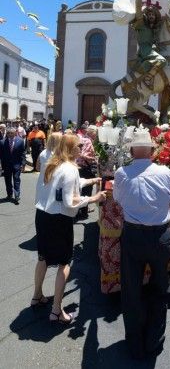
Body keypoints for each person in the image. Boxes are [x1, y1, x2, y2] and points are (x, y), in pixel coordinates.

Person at [113, 127, 170, 359]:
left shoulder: (121, 173)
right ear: (151, 150)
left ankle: (135, 342)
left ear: (131, 150)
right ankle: (154, 339)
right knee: (161, 286)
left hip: (133, 235)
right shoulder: (164, 171)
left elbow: (118, 199)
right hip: (160, 235)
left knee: (131, 289)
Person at [31, 134, 106, 323]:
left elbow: (64, 186)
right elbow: (69, 200)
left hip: (43, 215)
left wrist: (90, 181)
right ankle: (56, 310)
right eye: (78, 146)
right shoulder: (71, 168)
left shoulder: (53, 164)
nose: (81, 149)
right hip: (59, 219)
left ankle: (37, 296)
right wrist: (93, 199)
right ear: (71, 148)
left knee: (43, 258)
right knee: (64, 264)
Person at [130, 0, 166, 89]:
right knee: (162, 60)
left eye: (153, 15)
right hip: (145, 49)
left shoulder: (153, 29)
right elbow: (138, 8)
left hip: (151, 49)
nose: (151, 16)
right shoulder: (141, 24)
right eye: (149, 14)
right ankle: (148, 77)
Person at [77, 125, 98, 220]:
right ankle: (84, 212)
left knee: (79, 190)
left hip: (78, 167)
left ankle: (78, 210)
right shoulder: (88, 141)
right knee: (87, 190)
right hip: (85, 167)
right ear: (92, 133)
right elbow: (88, 155)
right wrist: (94, 158)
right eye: (95, 133)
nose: (96, 135)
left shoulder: (80, 139)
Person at [0, 127, 26, 204]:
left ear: (15, 133)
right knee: (7, 181)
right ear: (7, 134)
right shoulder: (2, 142)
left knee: (16, 180)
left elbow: (23, 153)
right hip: (6, 165)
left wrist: (23, 164)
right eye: (8, 133)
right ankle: (9, 195)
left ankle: (17, 195)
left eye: (11, 133)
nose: (10, 134)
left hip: (17, 165)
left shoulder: (20, 141)